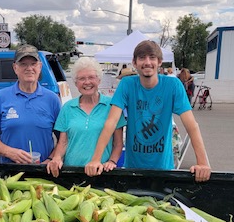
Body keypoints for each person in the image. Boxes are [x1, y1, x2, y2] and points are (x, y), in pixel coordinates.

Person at [84, 40, 211, 182]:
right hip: (132, 168)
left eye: (152, 57)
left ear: (160, 61)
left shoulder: (173, 85)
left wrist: (202, 163)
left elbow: (191, 125)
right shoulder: (127, 84)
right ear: (134, 62)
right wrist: (96, 159)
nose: (147, 62)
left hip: (163, 168)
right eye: (142, 58)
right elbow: (111, 122)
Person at [46, 57, 126, 177]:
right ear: (75, 83)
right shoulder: (68, 107)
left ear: (99, 80)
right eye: (81, 78)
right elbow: (63, 142)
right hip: (71, 172)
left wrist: (112, 161)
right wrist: (57, 158)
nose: (87, 82)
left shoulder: (112, 106)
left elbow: (118, 143)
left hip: (101, 172)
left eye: (91, 77)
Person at [0, 44, 61, 164]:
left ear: (40, 67)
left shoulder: (52, 99)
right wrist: (9, 152)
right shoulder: (1, 97)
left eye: (33, 64)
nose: (29, 68)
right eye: (23, 64)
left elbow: (64, 138)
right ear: (15, 68)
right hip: (11, 173)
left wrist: (51, 159)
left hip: (42, 173)